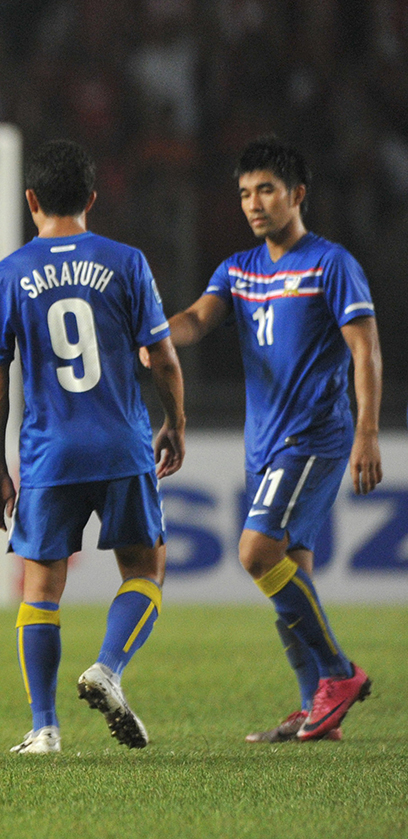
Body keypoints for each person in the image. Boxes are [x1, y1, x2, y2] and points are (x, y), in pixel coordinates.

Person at [153, 135, 379, 743]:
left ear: (297, 194)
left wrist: (367, 431)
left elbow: (365, 350)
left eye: (266, 191)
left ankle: (340, 674)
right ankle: (314, 710)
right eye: (245, 193)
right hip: (265, 444)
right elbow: (197, 319)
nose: (253, 203)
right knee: (289, 574)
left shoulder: (331, 264)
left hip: (313, 436)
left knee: (256, 553)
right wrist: (156, 335)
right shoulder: (239, 269)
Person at [0, 140, 186, 754]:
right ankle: (108, 668)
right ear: (92, 198)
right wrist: (175, 422)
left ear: (31, 200)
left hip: (51, 453)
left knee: (41, 588)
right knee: (145, 570)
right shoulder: (126, 262)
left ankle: (44, 728)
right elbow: (163, 357)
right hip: (122, 444)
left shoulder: (7, 274)